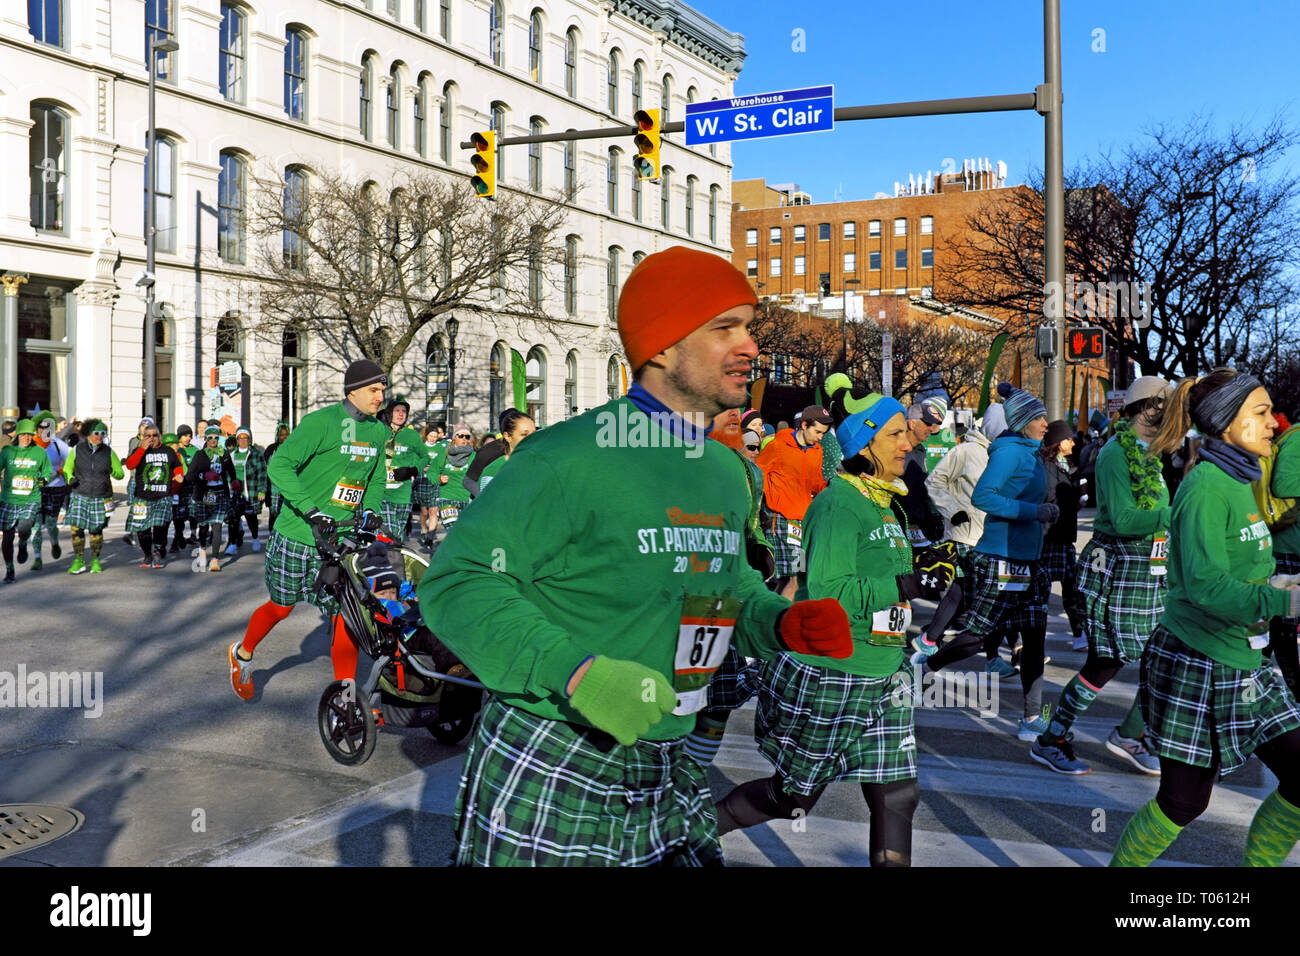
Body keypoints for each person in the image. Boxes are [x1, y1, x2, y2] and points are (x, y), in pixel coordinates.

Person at [418, 246, 853, 866]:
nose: (750, 345)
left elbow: (723, 590)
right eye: (723, 327)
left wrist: (776, 620)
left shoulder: (727, 474)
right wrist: (576, 672)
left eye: (749, 326)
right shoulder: (566, 457)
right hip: (559, 753)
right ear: (661, 348)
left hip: (670, 768)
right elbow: (456, 582)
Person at [713, 383, 957, 866]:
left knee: (898, 795)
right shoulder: (839, 504)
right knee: (792, 800)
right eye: (895, 434)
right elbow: (829, 594)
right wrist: (906, 585)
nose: (909, 443)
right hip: (834, 672)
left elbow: (884, 568)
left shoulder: (885, 500)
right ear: (864, 444)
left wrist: (928, 561)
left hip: (886, 671)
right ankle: (690, 833)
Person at [1110, 370, 1300, 867]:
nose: (1274, 424)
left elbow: (1247, 564)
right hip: (1199, 661)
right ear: (1225, 422)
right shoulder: (1205, 488)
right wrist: (1286, 603)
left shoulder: (1241, 480)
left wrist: (1282, 585)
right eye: (1260, 413)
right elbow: (1205, 585)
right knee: (1183, 803)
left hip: (1247, 658)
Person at [1032, 377, 1176, 775]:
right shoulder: (1116, 453)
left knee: (1160, 658)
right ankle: (1052, 738)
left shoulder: (1149, 454)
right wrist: (1176, 514)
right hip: (1119, 572)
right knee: (1104, 663)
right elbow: (1126, 519)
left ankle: (1130, 735)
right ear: (1150, 408)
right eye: (1168, 406)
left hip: (1149, 571)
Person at [228, 360, 389, 701]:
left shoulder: (377, 431)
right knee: (281, 608)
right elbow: (279, 464)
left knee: (346, 615)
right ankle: (242, 653)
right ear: (353, 390)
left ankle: (344, 694)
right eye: (375, 389)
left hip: (342, 539)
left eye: (383, 389)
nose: (381, 396)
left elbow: (374, 477)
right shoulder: (321, 422)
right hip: (298, 535)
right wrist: (312, 510)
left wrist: (371, 508)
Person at [950, 382, 1056, 739]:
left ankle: (1031, 720)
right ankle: (922, 667)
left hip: (1029, 557)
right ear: (1024, 422)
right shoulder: (1010, 452)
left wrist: (1047, 513)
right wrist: (1034, 511)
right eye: (1039, 417)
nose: (1046, 423)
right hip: (1002, 556)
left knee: (1036, 640)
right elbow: (984, 497)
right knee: (979, 635)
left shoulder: (1031, 452)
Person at [756, 404, 832, 598]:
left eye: (823, 433)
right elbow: (758, 473)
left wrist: (832, 487)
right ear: (804, 425)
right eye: (817, 432)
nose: (820, 437)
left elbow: (816, 482)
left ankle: (773, 617)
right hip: (780, 518)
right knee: (796, 576)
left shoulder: (817, 450)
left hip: (802, 521)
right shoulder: (778, 446)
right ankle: (782, 621)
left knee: (793, 576)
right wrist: (770, 497)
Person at [1038, 419, 1085, 642]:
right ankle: (1034, 636)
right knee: (1043, 591)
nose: (1073, 443)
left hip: (1062, 535)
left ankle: (1079, 632)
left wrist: (1077, 496)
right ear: (1057, 441)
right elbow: (1050, 498)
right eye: (1068, 438)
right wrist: (1072, 496)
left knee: (1071, 588)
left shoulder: (1063, 465)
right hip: (1049, 536)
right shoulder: (1047, 466)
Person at [62, 420, 123, 574]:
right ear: (88, 433)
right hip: (80, 494)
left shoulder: (109, 452)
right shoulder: (77, 450)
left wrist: (112, 470)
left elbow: (120, 474)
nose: (99, 436)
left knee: (96, 530)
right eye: (96, 433)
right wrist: (70, 479)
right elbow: (66, 469)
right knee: (76, 528)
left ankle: (95, 560)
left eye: (103, 433)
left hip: (100, 496)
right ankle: (79, 560)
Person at [122, 422, 184, 568]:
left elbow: (177, 466)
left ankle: (157, 551)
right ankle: (147, 554)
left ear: (160, 436)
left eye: (154, 435)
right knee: (142, 531)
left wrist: (179, 475)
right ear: (143, 437)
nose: (151, 438)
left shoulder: (168, 451)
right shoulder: (139, 450)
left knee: (160, 526)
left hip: (162, 496)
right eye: (147, 436)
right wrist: (142, 449)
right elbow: (130, 465)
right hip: (142, 497)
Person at [1, 420, 54, 582]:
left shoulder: (39, 453)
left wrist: (41, 483)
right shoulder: (8, 452)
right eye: (23, 434)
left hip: (30, 499)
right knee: (8, 538)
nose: (26, 438)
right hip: (9, 499)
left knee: (25, 527)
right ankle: (10, 569)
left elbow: (47, 472)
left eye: (29, 435)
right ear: (17, 435)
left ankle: (23, 542)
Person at [183, 425, 235, 571]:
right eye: (210, 437)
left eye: (216, 437)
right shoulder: (200, 455)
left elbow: (231, 470)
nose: (213, 440)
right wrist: (204, 475)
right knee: (204, 526)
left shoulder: (224, 454)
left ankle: (215, 560)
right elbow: (190, 475)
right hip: (205, 494)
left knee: (217, 526)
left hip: (219, 493)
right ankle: (203, 550)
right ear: (206, 439)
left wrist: (235, 481)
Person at [377, 397, 424, 541]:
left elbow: (425, 458)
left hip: (403, 496)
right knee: (390, 535)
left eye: (404, 411)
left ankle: (386, 561)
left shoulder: (412, 435)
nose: (401, 414)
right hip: (382, 495)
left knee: (398, 538)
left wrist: (412, 471)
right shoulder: (379, 431)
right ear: (389, 413)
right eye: (397, 411)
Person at [28, 411, 71, 570]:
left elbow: (70, 463)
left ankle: (54, 542)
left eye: (48, 427)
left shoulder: (58, 445)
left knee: (52, 524)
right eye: (41, 427)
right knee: (36, 525)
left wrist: (61, 472)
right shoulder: (30, 445)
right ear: (37, 428)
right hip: (36, 490)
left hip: (56, 488)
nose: (44, 430)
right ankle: (37, 557)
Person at [464, 409, 535, 498]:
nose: (531, 439)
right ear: (506, 434)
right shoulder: (489, 451)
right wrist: (483, 497)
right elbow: (468, 480)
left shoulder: (535, 457)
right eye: (524, 434)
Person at [226, 427, 269, 553]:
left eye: (245, 438)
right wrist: (230, 482)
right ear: (237, 439)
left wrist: (262, 490)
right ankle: (232, 544)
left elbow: (262, 473)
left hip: (250, 491)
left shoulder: (255, 454)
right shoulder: (232, 454)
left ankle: (255, 538)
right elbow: (227, 471)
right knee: (233, 519)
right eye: (240, 438)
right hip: (235, 492)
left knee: (251, 518)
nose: (243, 440)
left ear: (249, 439)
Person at [429, 423, 474, 537]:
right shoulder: (444, 453)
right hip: (447, 498)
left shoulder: (473, 455)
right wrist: (439, 478)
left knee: (465, 534)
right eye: (460, 436)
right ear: (454, 437)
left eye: (467, 436)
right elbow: (431, 472)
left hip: (465, 500)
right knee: (454, 531)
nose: (464, 439)